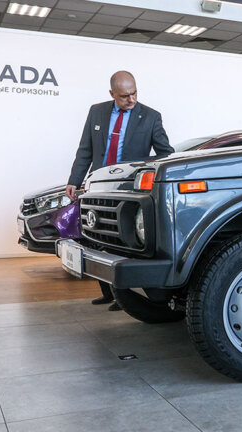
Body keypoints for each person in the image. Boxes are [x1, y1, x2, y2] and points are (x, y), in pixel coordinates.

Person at [66, 71, 174, 310]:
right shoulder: (97, 112)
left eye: (134, 93)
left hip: (126, 190)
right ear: (112, 93)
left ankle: (123, 296)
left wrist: (143, 168)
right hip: (98, 185)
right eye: (125, 96)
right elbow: (85, 150)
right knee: (95, 237)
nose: (131, 99)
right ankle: (107, 293)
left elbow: (166, 153)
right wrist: (75, 180)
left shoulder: (151, 117)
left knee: (122, 241)